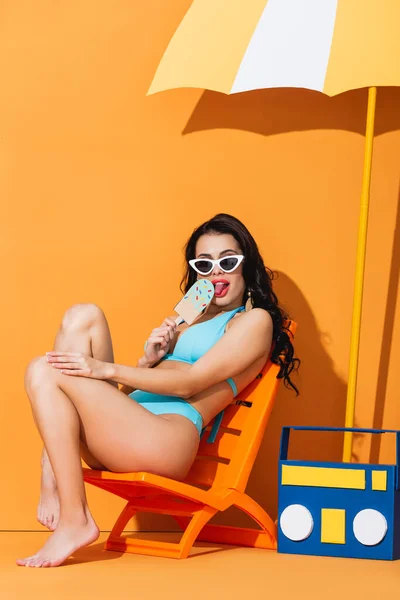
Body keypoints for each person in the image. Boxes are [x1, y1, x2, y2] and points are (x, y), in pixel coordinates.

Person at [17, 213, 299, 568]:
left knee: (43, 369)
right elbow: (127, 397)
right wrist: (147, 362)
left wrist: (104, 368)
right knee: (82, 316)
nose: (216, 273)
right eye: (204, 264)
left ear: (247, 265)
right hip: (125, 432)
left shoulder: (254, 321)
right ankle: (54, 470)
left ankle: (73, 512)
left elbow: (190, 383)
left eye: (228, 262)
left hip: (165, 438)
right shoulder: (192, 319)